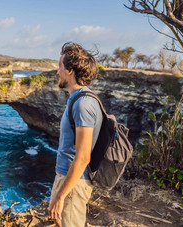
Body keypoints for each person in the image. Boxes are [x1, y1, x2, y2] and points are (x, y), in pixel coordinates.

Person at [48, 42, 103, 227]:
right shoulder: (78, 99)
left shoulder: (83, 104)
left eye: (60, 67)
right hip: (67, 180)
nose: (58, 72)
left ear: (70, 71)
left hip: (73, 184)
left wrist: (61, 195)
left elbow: (83, 157)